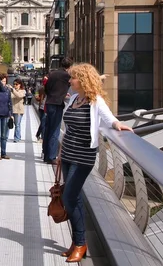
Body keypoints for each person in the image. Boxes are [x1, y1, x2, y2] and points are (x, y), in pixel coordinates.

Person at [59, 63, 132, 262]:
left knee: (68, 198)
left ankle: (81, 243)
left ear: (83, 80)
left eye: (74, 78)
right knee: (74, 199)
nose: (70, 80)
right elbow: (68, 127)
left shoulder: (95, 101)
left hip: (83, 155)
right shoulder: (74, 98)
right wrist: (59, 153)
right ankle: (76, 242)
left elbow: (109, 119)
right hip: (67, 153)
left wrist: (118, 125)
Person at [43, 57, 73, 164]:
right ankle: (51, 157)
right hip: (57, 104)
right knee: (55, 131)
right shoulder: (67, 76)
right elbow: (71, 83)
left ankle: (46, 155)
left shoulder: (52, 74)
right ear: (69, 67)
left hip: (49, 102)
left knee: (48, 129)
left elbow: (47, 88)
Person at [0, 73, 12, 162]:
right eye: (2, 81)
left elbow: (10, 102)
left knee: (4, 136)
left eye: (5, 81)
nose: (3, 83)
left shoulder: (8, 90)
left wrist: (10, 114)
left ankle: (3, 153)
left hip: (5, 114)